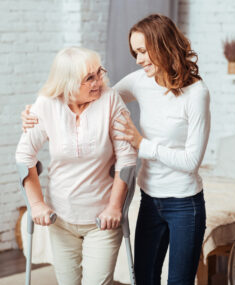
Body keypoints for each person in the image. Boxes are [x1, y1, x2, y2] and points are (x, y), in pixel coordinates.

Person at [22, 14, 210, 285]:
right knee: (145, 279)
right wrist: (36, 112)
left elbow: (191, 161)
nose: (139, 60)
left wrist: (142, 144)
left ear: (164, 45)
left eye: (143, 51)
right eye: (136, 52)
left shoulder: (197, 94)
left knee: (179, 281)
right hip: (150, 199)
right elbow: (93, 96)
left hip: (184, 203)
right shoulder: (141, 80)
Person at [16, 47, 137, 285]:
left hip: (102, 219)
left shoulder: (110, 100)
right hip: (60, 217)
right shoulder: (46, 105)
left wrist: (114, 207)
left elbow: (127, 158)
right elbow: (24, 156)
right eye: (89, 78)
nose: (98, 82)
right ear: (68, 83)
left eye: (99, 73)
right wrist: (37, 204)